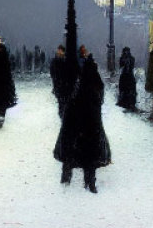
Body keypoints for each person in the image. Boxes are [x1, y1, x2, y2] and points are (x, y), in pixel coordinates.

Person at [53, 54, 111, 193]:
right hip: (91, 126)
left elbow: (71, 106)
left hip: (78, 125)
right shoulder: (94, 83)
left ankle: (67, 176)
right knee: (90, 154)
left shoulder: (78, 86)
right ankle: (89, 182)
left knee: (73, 150)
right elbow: (99, 98)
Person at [49, 44, 73, 118]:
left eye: (60, 51)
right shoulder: (56, 61)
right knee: (62, 102)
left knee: (63, 102)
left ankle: (63, 115)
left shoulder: (61, 61)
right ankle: (62, 115)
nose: (59, 53)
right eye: (58, 51)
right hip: (60, 86)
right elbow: (52, 72)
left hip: (62, 86)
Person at [115, 46, 137, 111]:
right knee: (123, 88)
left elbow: (132, 66)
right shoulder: (122, 58)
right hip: (124, 75)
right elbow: (120, 65)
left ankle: (131, 103)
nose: (126, 52)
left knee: (131, 89)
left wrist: (128, 62)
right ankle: (123, 103)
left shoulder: (132, 58)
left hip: (129, 75)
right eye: (125, 51)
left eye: (127, 51)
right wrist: (124, 61)